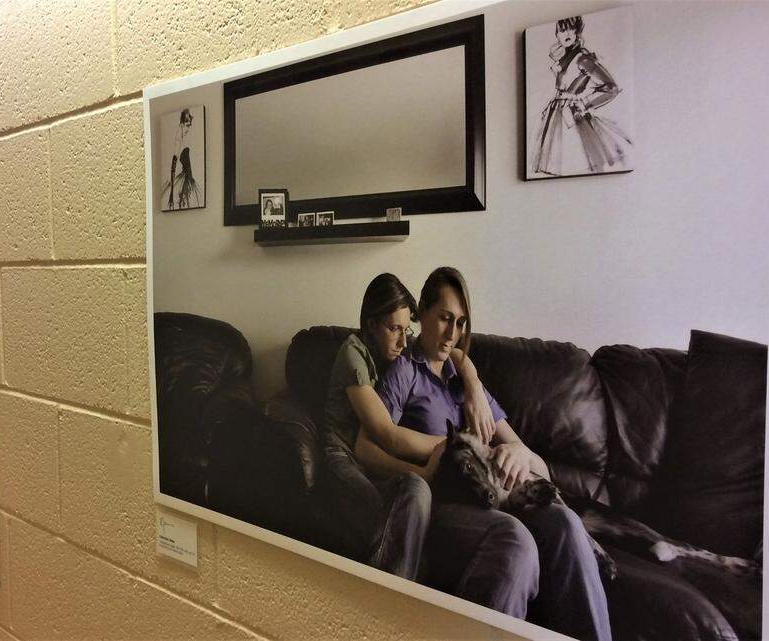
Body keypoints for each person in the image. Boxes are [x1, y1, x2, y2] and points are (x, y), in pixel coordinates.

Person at [374, 267, 611, 641]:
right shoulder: (405, 372)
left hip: (495, 499)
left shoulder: (467, 382)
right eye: (445, 318)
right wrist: (426, 468)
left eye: (462, 323)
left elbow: (541, 468)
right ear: (422, 311)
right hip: (444, 502)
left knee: (565, 524)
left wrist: (517, 451)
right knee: (515, 540)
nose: (453, 334)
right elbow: (371, 444)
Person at [320, 273, 494, 580]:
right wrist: (449, 445)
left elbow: (448, 349)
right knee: (387, 520)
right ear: (372, 324)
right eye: (394, 328)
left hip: (368, 458)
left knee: (410, 511)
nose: (403, 340)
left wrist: (472, 379)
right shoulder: (353, 355)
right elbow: (385, 433)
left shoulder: (394, 351)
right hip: (342, 454)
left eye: (406, 328)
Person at [531, 15, 632, 176]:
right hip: (554, 118)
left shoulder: (583, 59)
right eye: (563, 30)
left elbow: (611, 88)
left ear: (578, 32)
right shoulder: (561, 59)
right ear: (557, 34)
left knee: (573, 166)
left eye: (572, 29)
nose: (567, 33)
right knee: (551, 169)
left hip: (571, 120)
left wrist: (585, 103)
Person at [165, 108, 200, 209]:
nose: (188, 127)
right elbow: (175, 156)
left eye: (189, 123)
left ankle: (182, 199)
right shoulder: (180, 136)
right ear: (181, 124)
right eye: (186, 124)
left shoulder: (189, 136)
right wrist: (171, 194)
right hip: (183, 160)